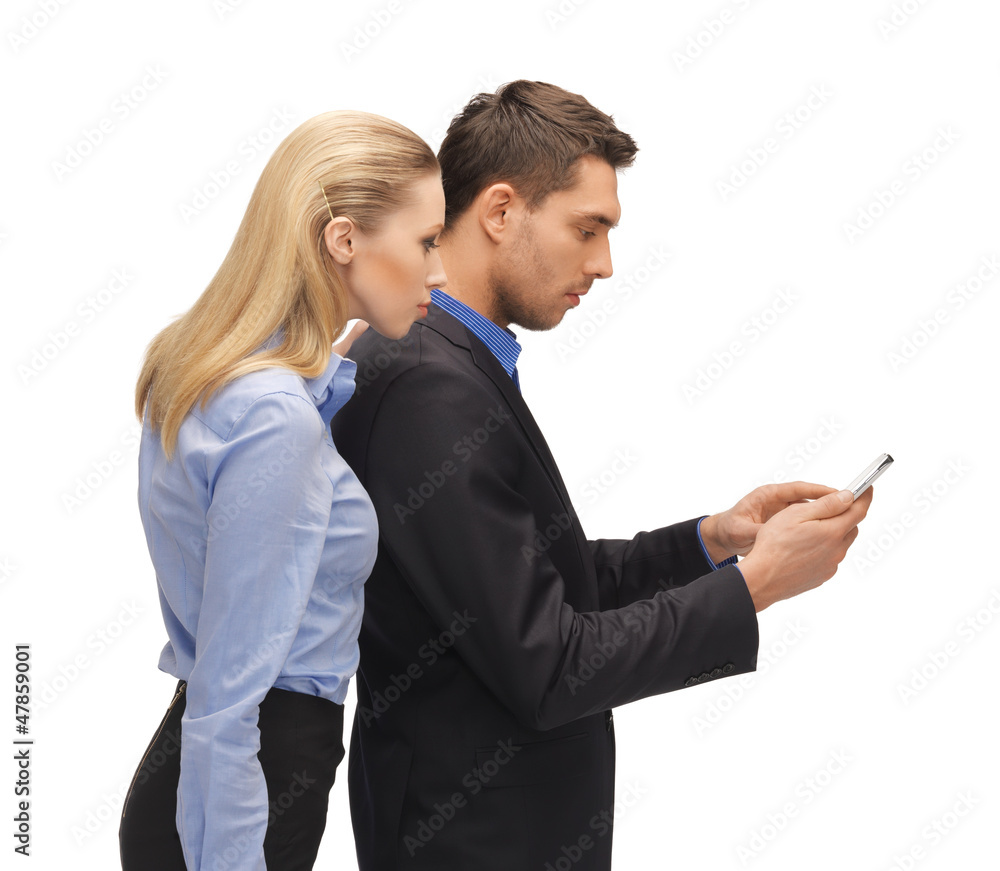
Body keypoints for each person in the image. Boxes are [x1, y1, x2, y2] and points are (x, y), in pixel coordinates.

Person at [330, 80, 874, 870]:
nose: (605, 263)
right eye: (587, 229)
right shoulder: (429, 382)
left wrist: (713, 540)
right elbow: (548, 662)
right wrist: (754, 585)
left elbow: (531, 584)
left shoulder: (448, 358)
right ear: (500, 211)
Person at [119, 110, 447, 871]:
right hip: (249, 782)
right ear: (343, 240)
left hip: (213, 771)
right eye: (427, 241)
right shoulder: (278, 417)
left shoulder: (225, 375)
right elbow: (234, 689)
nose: (437, 272)